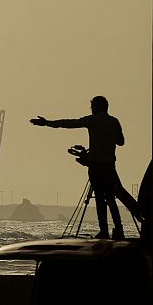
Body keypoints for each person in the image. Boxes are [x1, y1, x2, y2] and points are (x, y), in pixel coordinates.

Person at [31, 95, 128, 240]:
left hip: (96, 166)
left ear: (95, 108)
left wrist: (47, 123)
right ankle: (119, 229)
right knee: (111, 199)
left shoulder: (92, 120)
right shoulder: (114, 121)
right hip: (109, 166)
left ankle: (104, 231)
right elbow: (121, 142)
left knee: (100, 199)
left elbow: (69, 123)